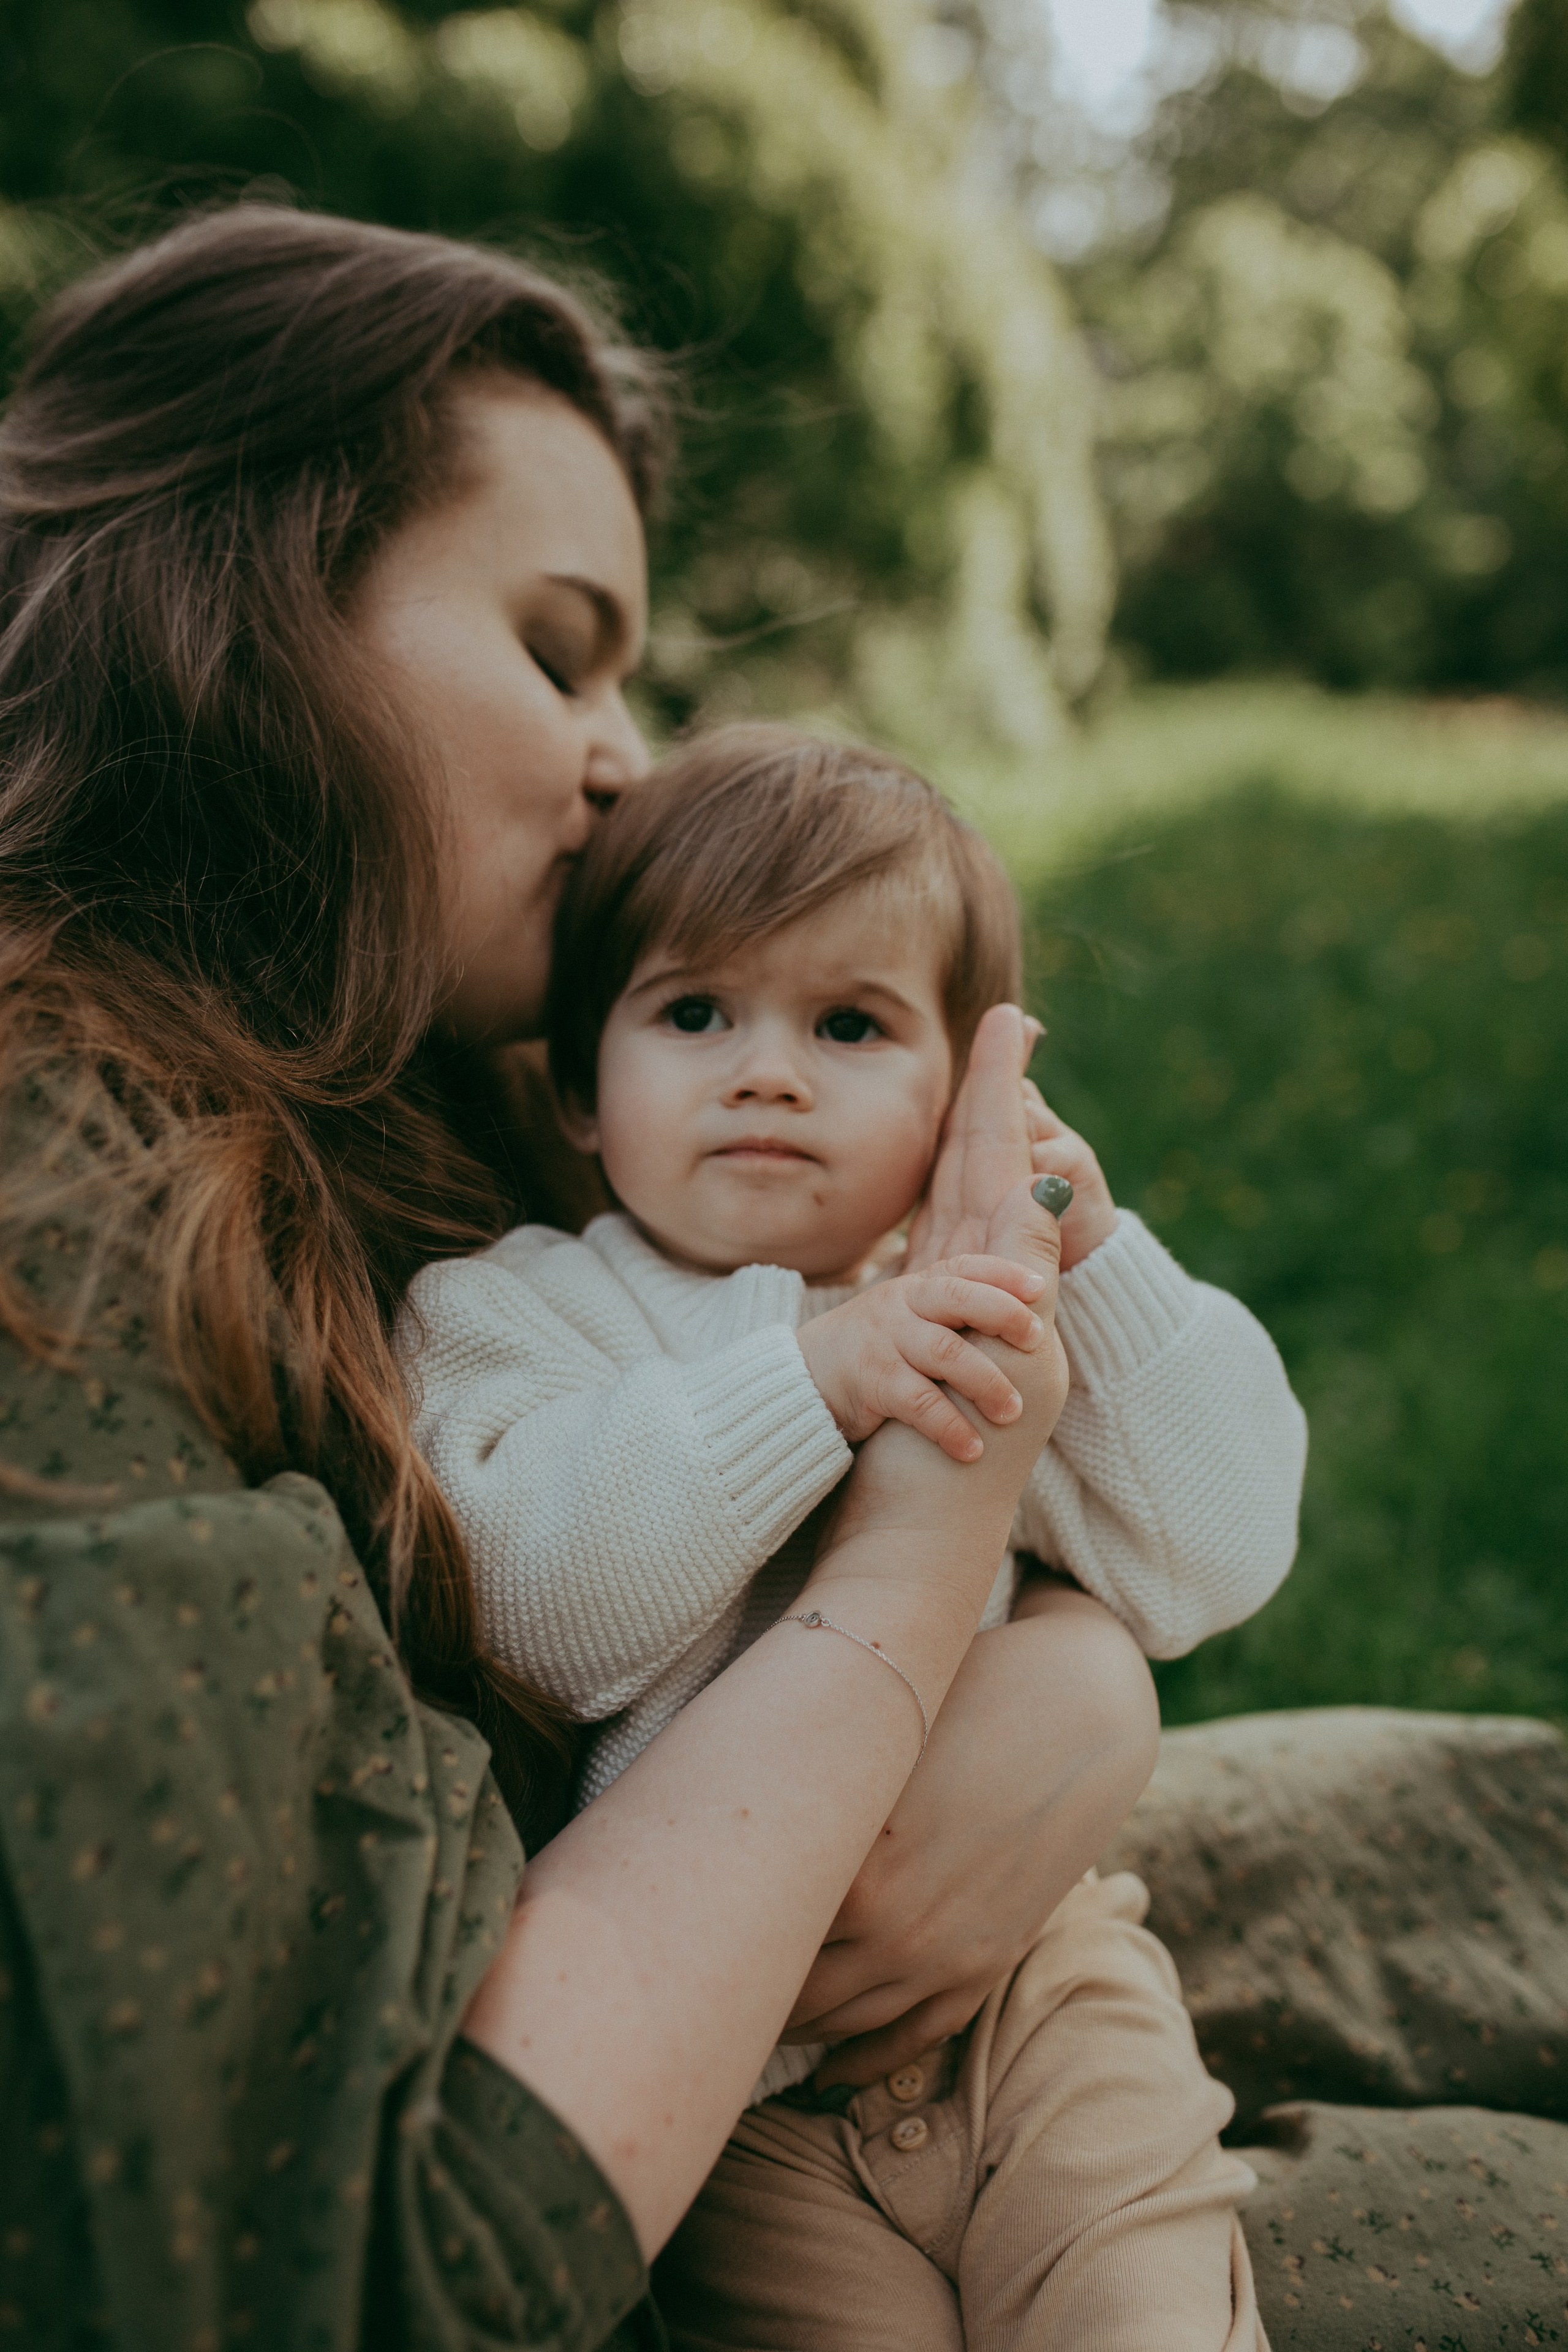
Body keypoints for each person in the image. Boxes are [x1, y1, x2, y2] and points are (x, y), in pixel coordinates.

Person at [0, 200, 1117, 2350]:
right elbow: (379, 2258)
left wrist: (1081, 1693)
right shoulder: (64, 1204)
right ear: (240, 613)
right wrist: (923, 1559)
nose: (628, 757)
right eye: (556, 645)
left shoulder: (426, 1104)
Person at [399, 726, 1309, 2347]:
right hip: (736, 2074)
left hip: (1033, 1980)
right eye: (695, 1013)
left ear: (965, 1091)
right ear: (579, 1096)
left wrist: (1091, 1257)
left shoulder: (974, 1309)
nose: (769, 1070)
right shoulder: (527, 1314)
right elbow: (529, 1604)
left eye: (850, 1023)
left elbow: (1216, 1552)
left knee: (1145, 2310)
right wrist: (811, 1385)